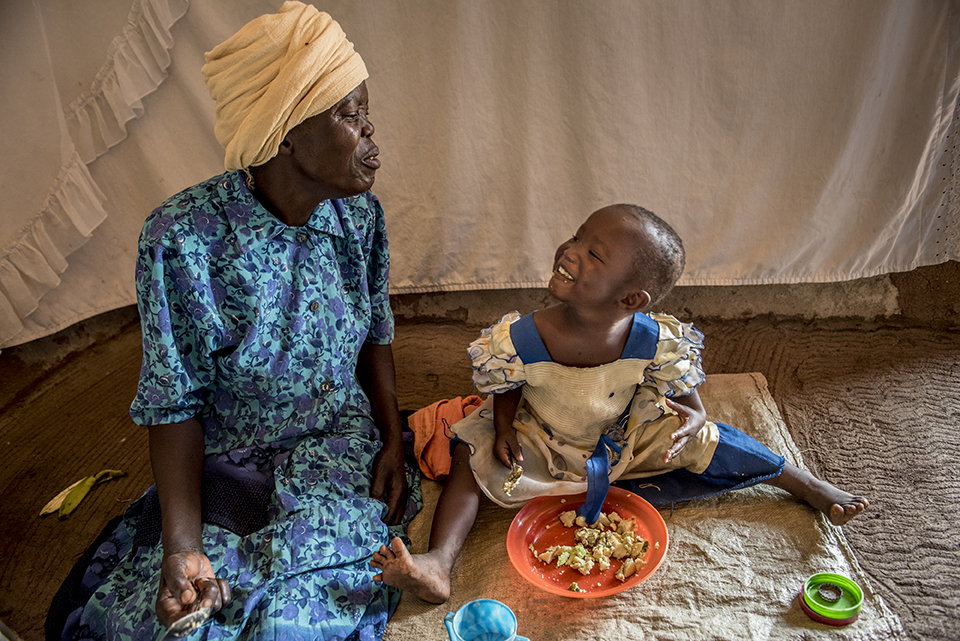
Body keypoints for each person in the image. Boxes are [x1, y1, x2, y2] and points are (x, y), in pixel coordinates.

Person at [45, 3, 422, 639]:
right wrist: (182, 548)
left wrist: (390, 436)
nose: (371, 132)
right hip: (228, 461)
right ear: (286, 133)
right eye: (350, 115)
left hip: (334, 447)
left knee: (294, 623)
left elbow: (375, 333)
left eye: (365, 112)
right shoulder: (182, 239)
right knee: (168, 617)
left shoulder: (359, 220)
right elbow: (173, 402)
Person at [370, 203, 869, 604]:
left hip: (620, 436)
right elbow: (506, 388)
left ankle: (797, 480)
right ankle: (439, 561)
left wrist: (694, 414)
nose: (571, 250)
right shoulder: (522, 336)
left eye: (594, 254)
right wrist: (501, 429)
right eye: (578, 236)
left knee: (709, 439)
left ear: (632, 300)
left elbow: (681, 384)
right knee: (466, 447)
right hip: (538, 434)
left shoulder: (653, 340)